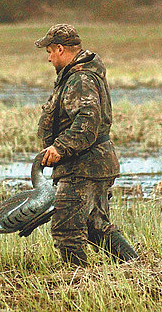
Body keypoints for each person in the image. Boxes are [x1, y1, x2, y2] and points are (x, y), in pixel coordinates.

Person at [35, 24, 138, 266]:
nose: (49, 58)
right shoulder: (77, 75)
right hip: (92, 164)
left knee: (67, 228)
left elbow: (88, 120)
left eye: (49, 51)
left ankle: (78, 281)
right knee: (95, 225)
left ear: (60, 49)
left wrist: (60, 147)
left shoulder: (80, 78)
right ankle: (135, 266)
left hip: (84, 167)